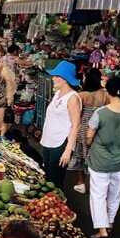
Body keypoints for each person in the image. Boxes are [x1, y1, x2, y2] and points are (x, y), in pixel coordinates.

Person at [85, 77, 120, 238]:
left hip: (101, 160)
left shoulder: (100, 113)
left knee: (98, 194)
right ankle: (110, 222)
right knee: (115, 194)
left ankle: (102, 229)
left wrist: (90, 144)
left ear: (107, 92)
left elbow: (89, 137)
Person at [39, 61, 82, 189]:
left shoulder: (73, 98)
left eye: (57, 76)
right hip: (48, 141)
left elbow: (76, 125)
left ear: (65, 79)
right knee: (46, 177)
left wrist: (68, 150)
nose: (53, 78)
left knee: (55, 182)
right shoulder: (57, 94)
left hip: (60, 143)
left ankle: (60, 205)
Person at [70, 68, 108, 193]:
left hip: (83, 129)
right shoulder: (104, 94)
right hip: (99, 128)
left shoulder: (82, 95)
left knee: (80, 155)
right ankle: (95, 184)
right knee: (96, 155)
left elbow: (75, 114)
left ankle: (81, 183)